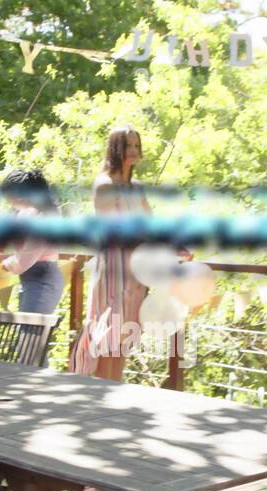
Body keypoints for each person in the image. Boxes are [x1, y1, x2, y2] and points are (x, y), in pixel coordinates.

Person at [70, 125, 190, 380]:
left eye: (136, 146)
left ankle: (114, 392)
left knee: (124, 335)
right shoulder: (104, 184)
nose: (134, 151)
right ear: (115, 149)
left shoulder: (137, 187)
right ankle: (99, 393)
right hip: (114, 266)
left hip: (137, 270)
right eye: (128, 146)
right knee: (107, 334)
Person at [0, 169, 65, 314]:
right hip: (31, 279)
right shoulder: (26, 213)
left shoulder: (45, 217)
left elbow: (26, 257)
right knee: (27, 333)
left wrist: (7, 263)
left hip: (42, 279)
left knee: (30, 334)